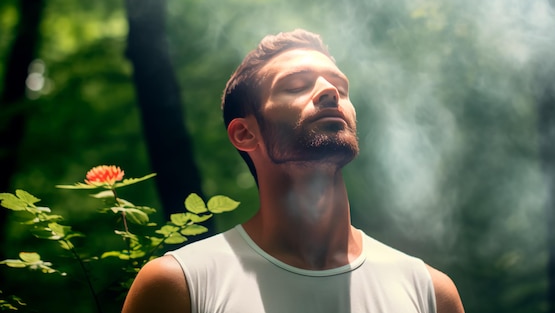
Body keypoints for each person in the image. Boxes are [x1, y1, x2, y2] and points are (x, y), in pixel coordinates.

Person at [122, 29, 465, 313]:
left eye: (340, 87)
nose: (330, 92)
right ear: (245, 134)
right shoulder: (181, 284)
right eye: (296, 86)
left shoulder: (430, 292)